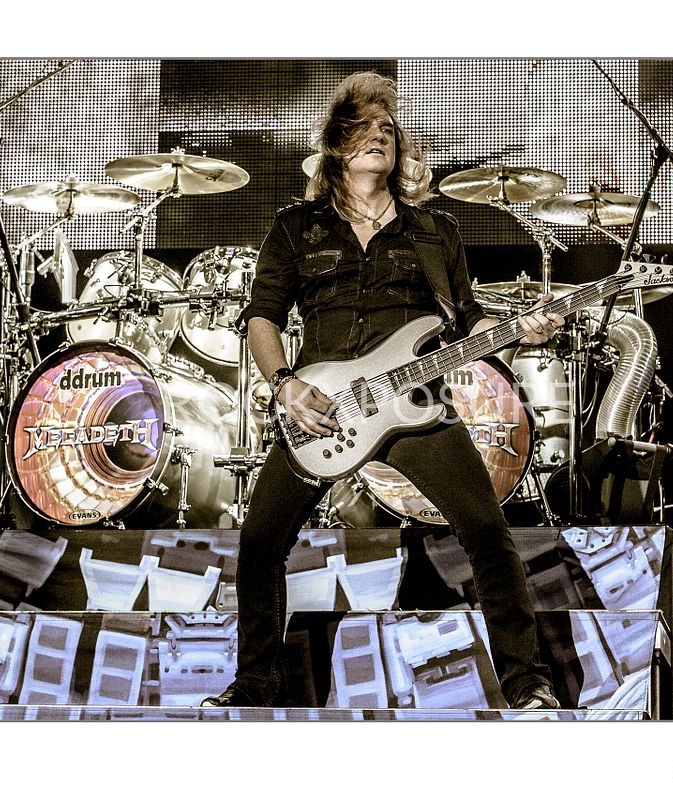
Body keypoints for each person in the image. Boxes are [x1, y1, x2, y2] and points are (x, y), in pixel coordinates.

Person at [203, 72, 565, 710]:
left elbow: (467, 320)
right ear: (337, 144)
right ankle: (256, 688)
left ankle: (525, 682)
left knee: (487, 530)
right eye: (364, 127)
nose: (379, 136)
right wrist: (285, 386)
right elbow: (262, 316)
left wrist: (521, 330)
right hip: (323, 410)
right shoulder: (296, 227)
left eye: (389, 130)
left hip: (416, 406)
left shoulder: (434, 230)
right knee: (259, 543)